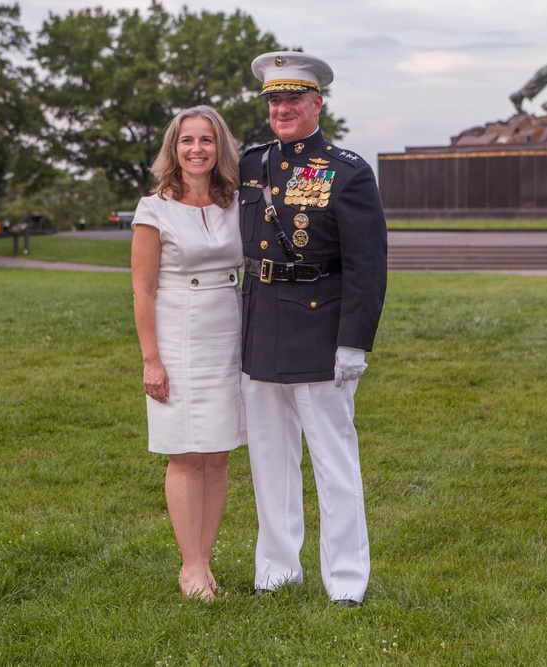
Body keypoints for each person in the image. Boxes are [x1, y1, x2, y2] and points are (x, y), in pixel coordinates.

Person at [239, 52, 387, 607]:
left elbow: (368, 266)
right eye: (275, 100)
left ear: (317, 103)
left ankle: (346, 580)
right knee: (270, 463)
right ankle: (276, 572)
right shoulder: (252, 165)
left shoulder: (346, 170)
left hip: (321, 332)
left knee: (334, 464)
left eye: (293, 99)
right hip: (261, 328)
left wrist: (353, 342)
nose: (282, 109)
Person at [131, 105, 245, 600]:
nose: (196, 149)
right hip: (178, 333)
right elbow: (143, 291)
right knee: (185, 454)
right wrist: (151, 359)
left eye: (206, 140)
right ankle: (191, 567)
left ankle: (207, 558)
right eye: (186, 141)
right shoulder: (153, 208)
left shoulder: (237, 202)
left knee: (217, 454)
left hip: (229, 334)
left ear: (220, 147)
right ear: (173, 150)